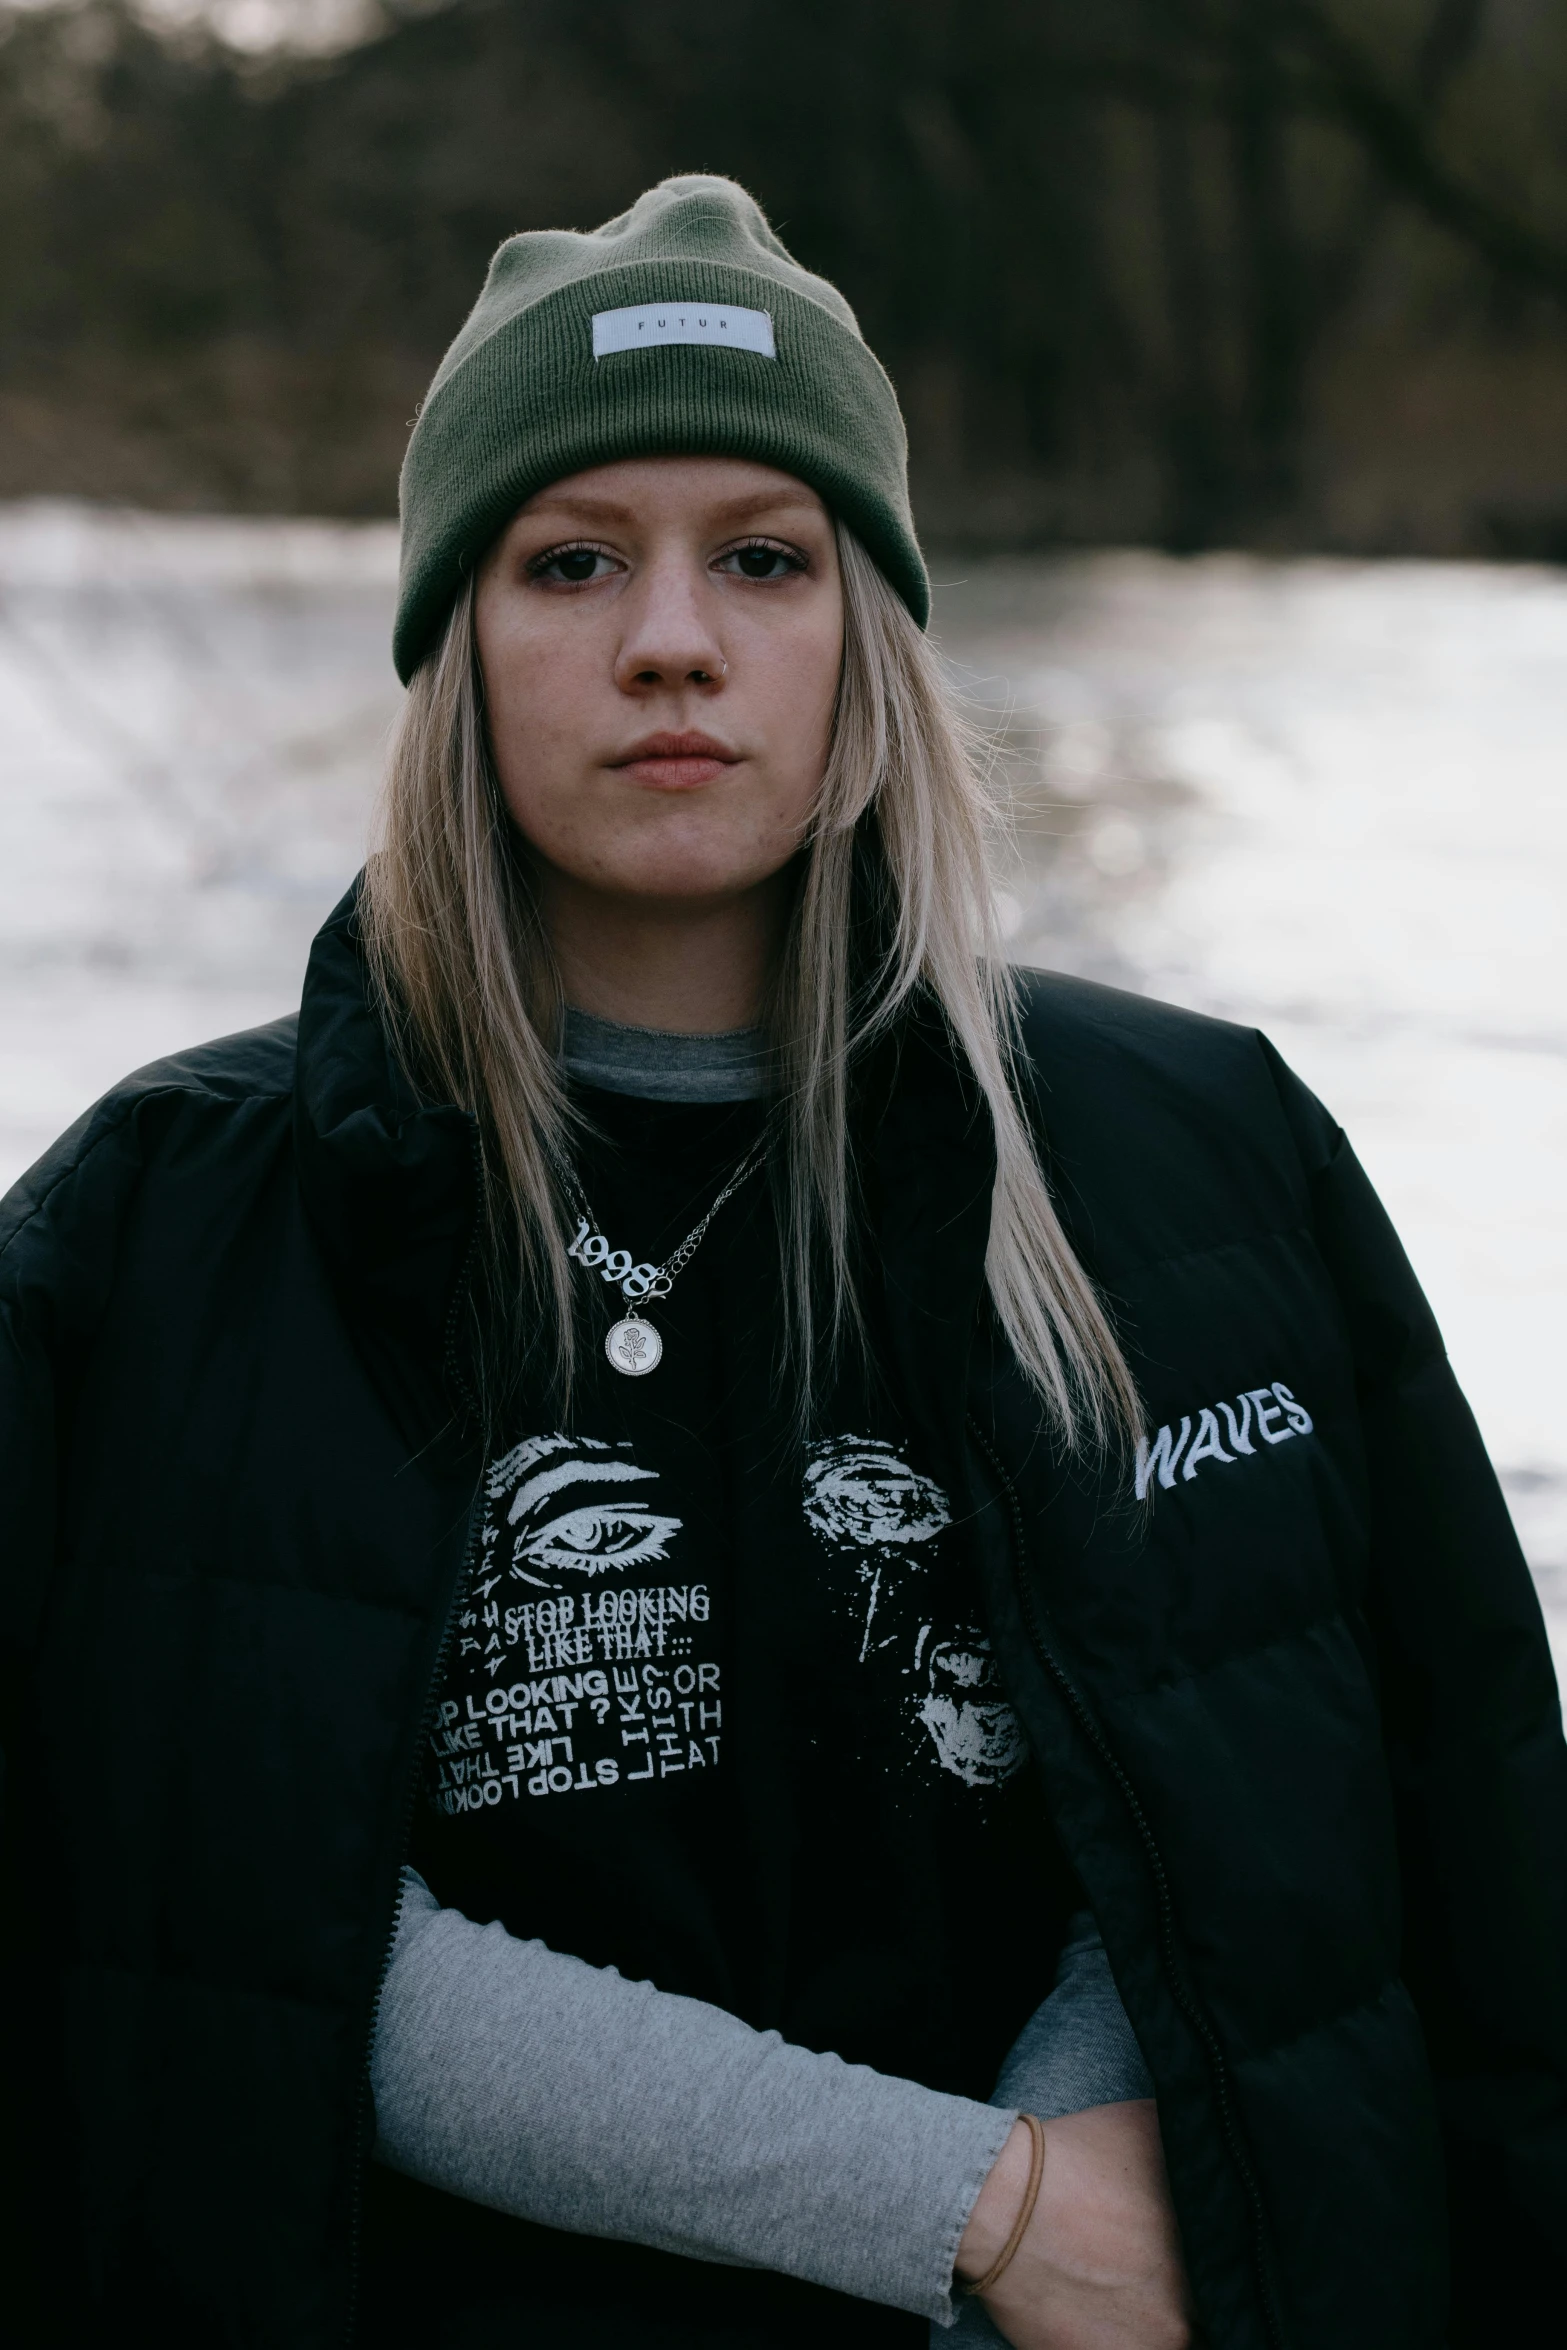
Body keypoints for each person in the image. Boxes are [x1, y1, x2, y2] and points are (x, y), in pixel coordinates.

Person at [0, 175, 1563, 2350]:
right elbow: (196, 1906)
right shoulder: (166, 1227)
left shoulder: (1196, 1159)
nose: (672, 638)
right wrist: (972, 2208)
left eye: (762, 554)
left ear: (870, 627)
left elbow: (1409, 1837)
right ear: (460, 637)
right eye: (571, 560)